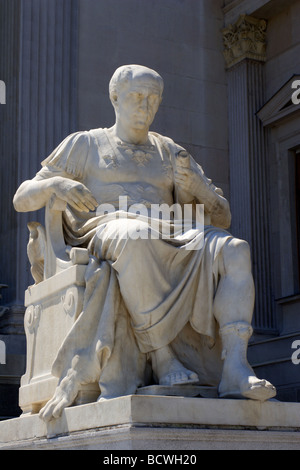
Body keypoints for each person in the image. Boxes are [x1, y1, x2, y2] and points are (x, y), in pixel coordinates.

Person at [13, 65, 276, 422]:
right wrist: (55, 186)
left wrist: (197, 188)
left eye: (153, 99)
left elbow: (222, 216)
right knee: (132, 236)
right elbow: (21, 197)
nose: (145, 106)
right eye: (137, 96)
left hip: (172, 233)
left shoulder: (169, 151)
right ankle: (162, 354)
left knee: (234, 249)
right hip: (107, 228)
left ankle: (235, 365)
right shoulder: (85, 144)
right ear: (115, 97)